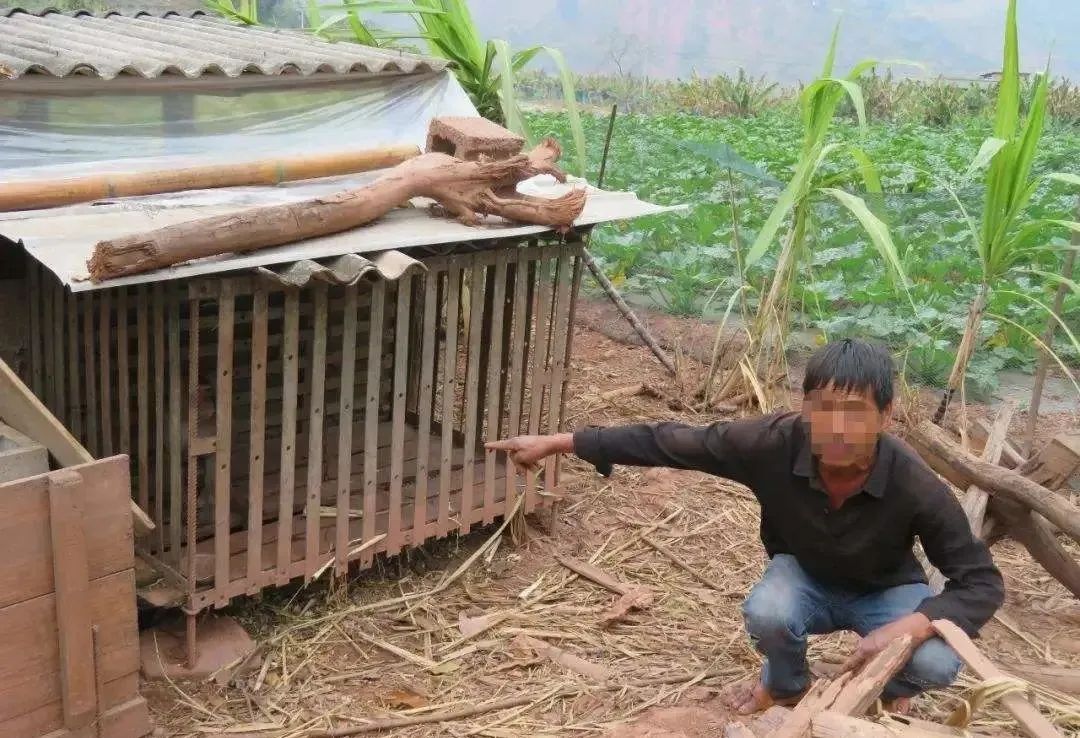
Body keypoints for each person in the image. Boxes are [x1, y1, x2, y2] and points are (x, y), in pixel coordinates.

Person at [486, 338, 1004, 714]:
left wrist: (910, 625)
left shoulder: (915, 483)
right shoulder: (771, 444)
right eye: (823, 409)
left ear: (886, 416)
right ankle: (784, 686)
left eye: (855, 412)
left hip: (887, 591)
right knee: (769, 611)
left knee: (936, 663)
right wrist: (563, 442)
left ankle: (888, 693)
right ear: (805, 408)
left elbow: (981, 581)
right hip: (806, 576)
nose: (837, 427)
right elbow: (670, 441)